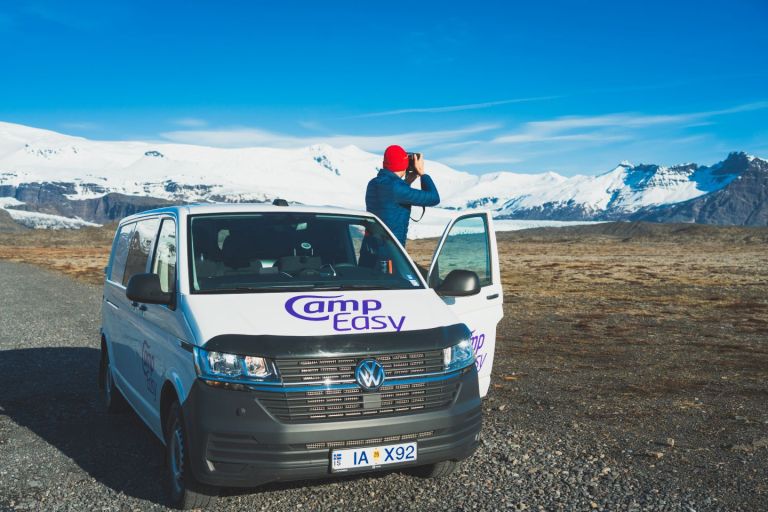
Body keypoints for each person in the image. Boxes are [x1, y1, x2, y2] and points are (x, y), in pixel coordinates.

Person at [365, 145, 440, 247]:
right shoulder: (397, 188)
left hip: (369, 250)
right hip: (390, 255)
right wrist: (422, 173)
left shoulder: (373, 183)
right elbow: (434, 198)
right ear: (403, 164)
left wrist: (407, 182)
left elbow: (391, 199)